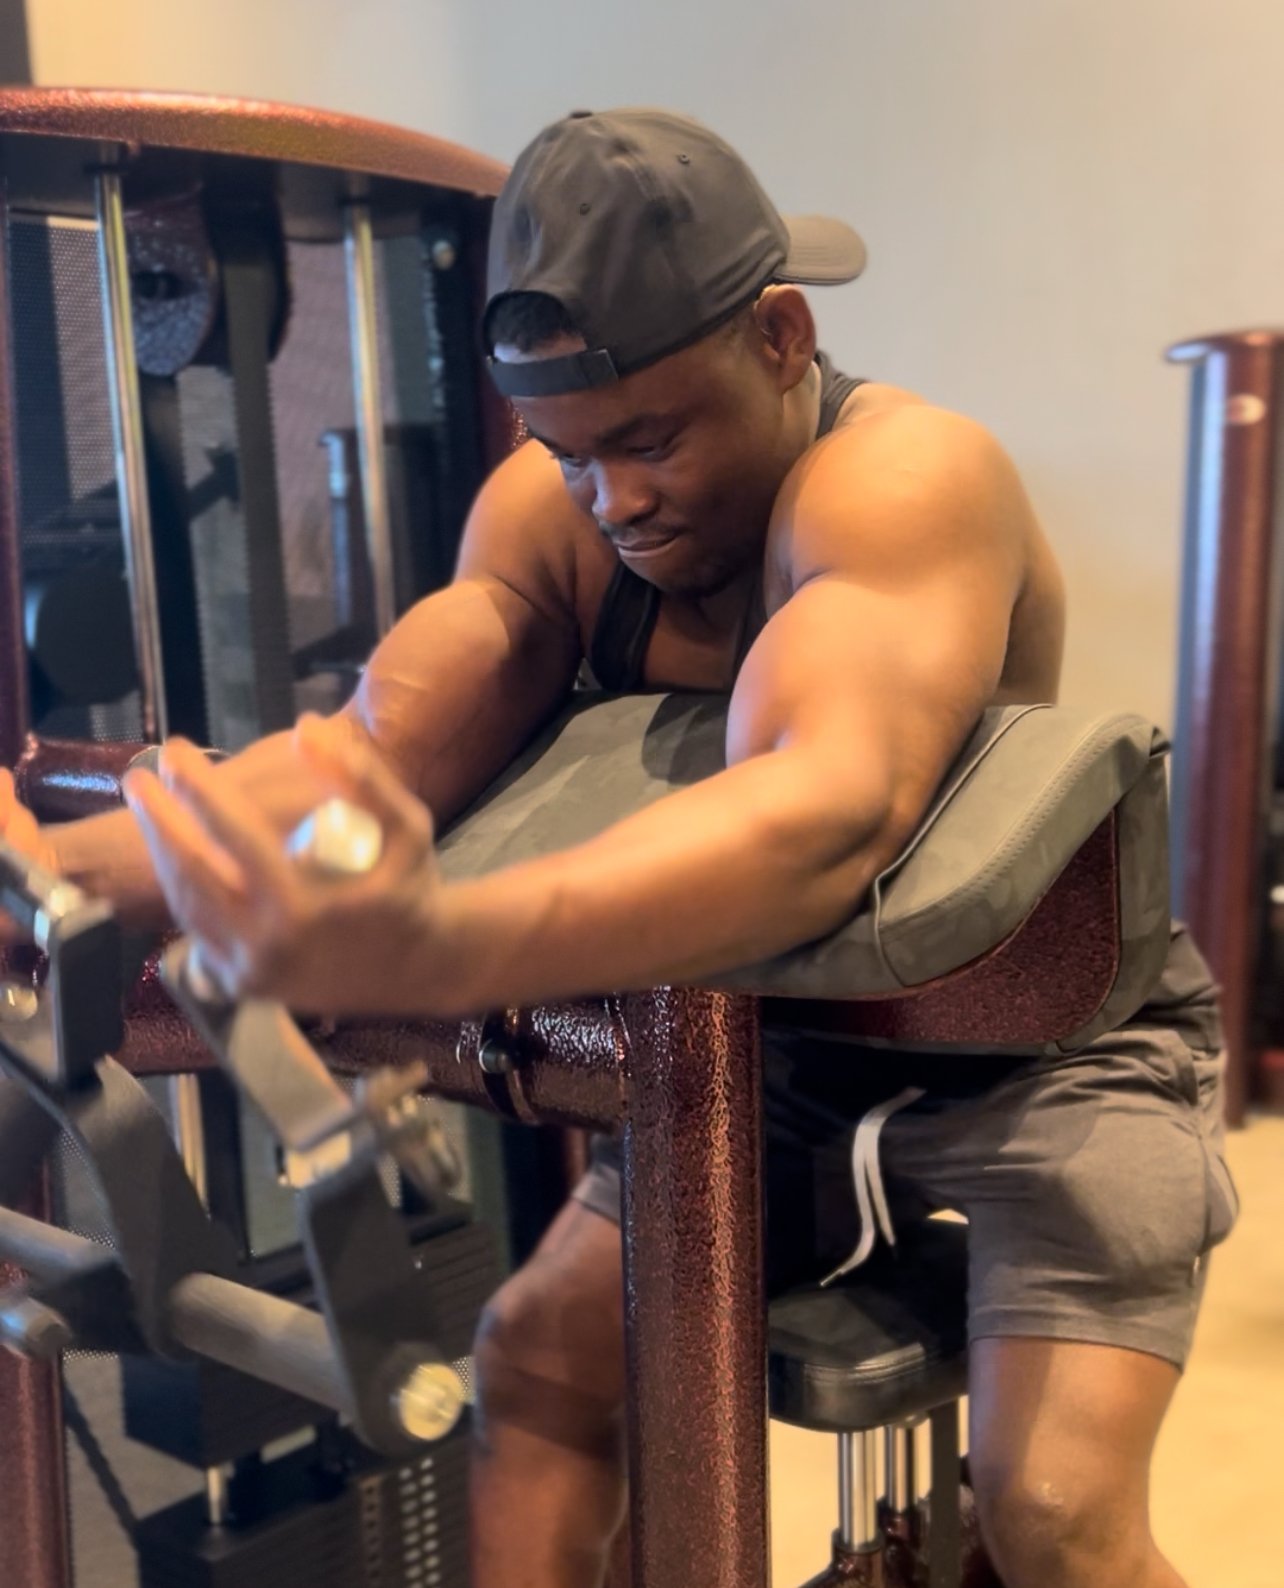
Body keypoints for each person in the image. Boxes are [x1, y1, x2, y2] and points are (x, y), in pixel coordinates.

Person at [0, 109, 1236, 1588]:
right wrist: (58, 881)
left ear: (782, 338)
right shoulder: (555, 516)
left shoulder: (904, 483)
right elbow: (372, 763)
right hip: (770, 1061)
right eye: (570, 450)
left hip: (1052, 1061)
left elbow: (823, 813)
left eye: (651, 439)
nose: (615, 498)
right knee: (531, 1367)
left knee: (1053, 1515)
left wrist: (437, 946)